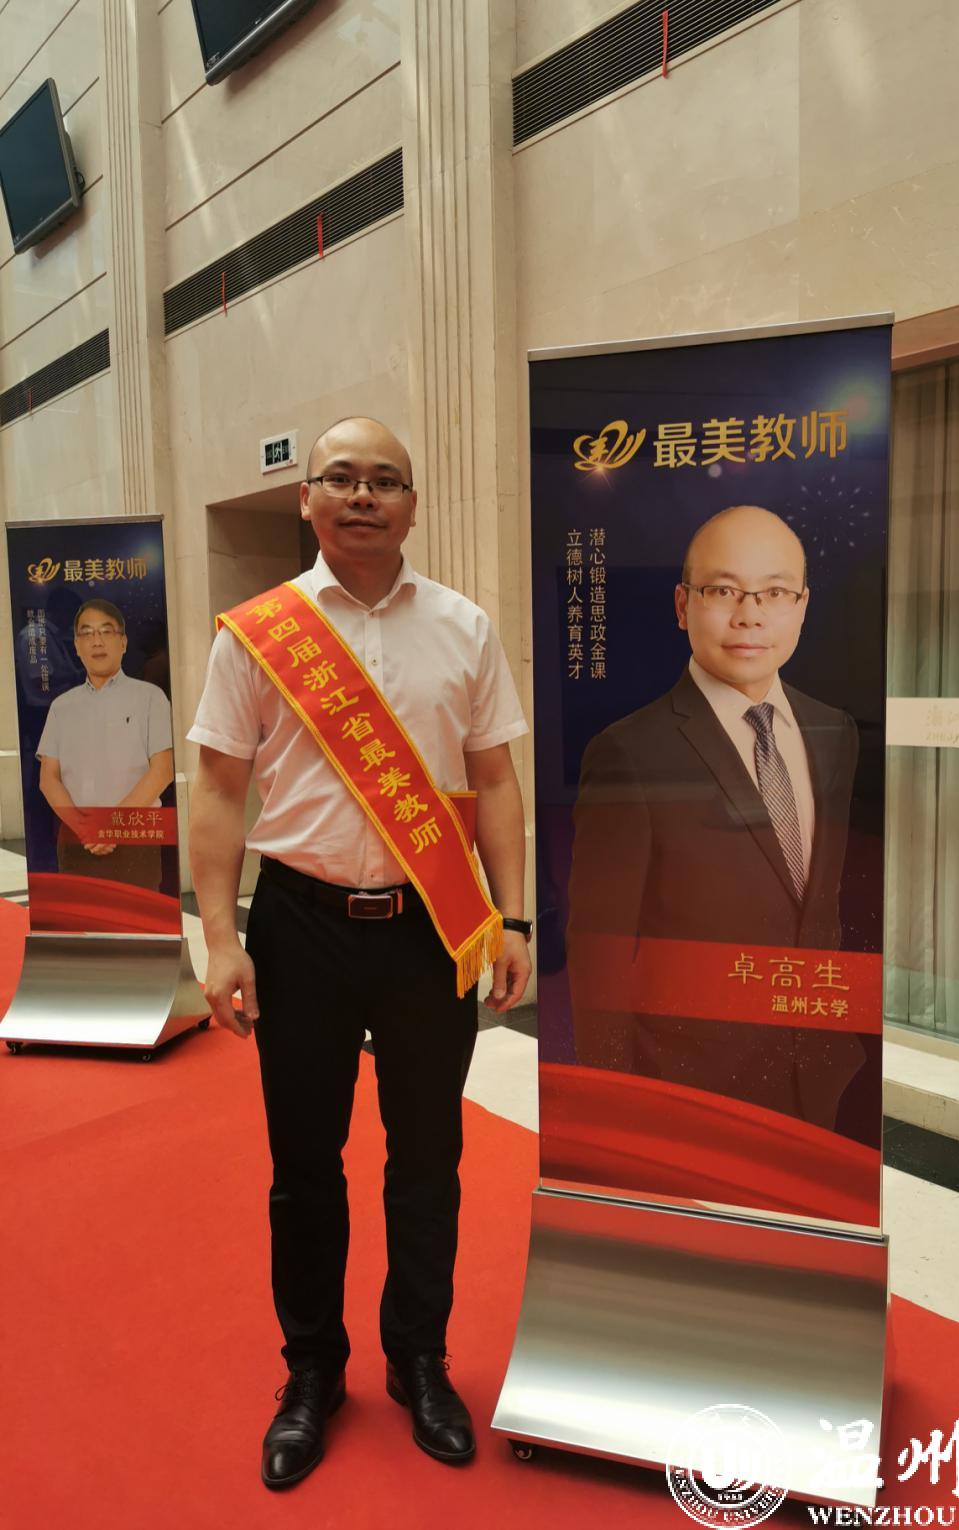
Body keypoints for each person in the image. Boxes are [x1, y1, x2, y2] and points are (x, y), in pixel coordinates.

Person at [188, 417, 532, 1490]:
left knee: (428, 1158)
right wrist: (218, 937)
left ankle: (419, 1361)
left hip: (429, 930)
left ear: (413, 505)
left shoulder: (464, 626)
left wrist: (514, 919)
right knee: (304, 1167)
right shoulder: (257, 635)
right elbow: (217, 790)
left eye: (386, 480)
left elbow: (497, 780)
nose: (363, 495)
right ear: (307, 499)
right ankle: (312, 1373)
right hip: (299, 928)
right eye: (340, 477)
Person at [567, 504, 869, 1135]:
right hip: (689, 1081)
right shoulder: (629, 751)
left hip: (820, 1070)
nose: (750, 615)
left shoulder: (834, 731)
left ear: (803, 607)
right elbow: (601, 950)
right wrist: (615, 1101)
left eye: (775, 593)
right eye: (724, 590)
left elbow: (824, 904)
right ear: (683, 605)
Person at [37, 598, 174, 889]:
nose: (96, 641)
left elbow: (162, 771)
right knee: (79, 917)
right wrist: (84, 828)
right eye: (87, 633)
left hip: (136, 839)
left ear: (123, 642)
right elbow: (48, 778)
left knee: (139, 917)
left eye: (106, 631)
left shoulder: (150, 698)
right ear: (77, 646)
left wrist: (112, 826)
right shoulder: (62, 706)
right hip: (77, 840)